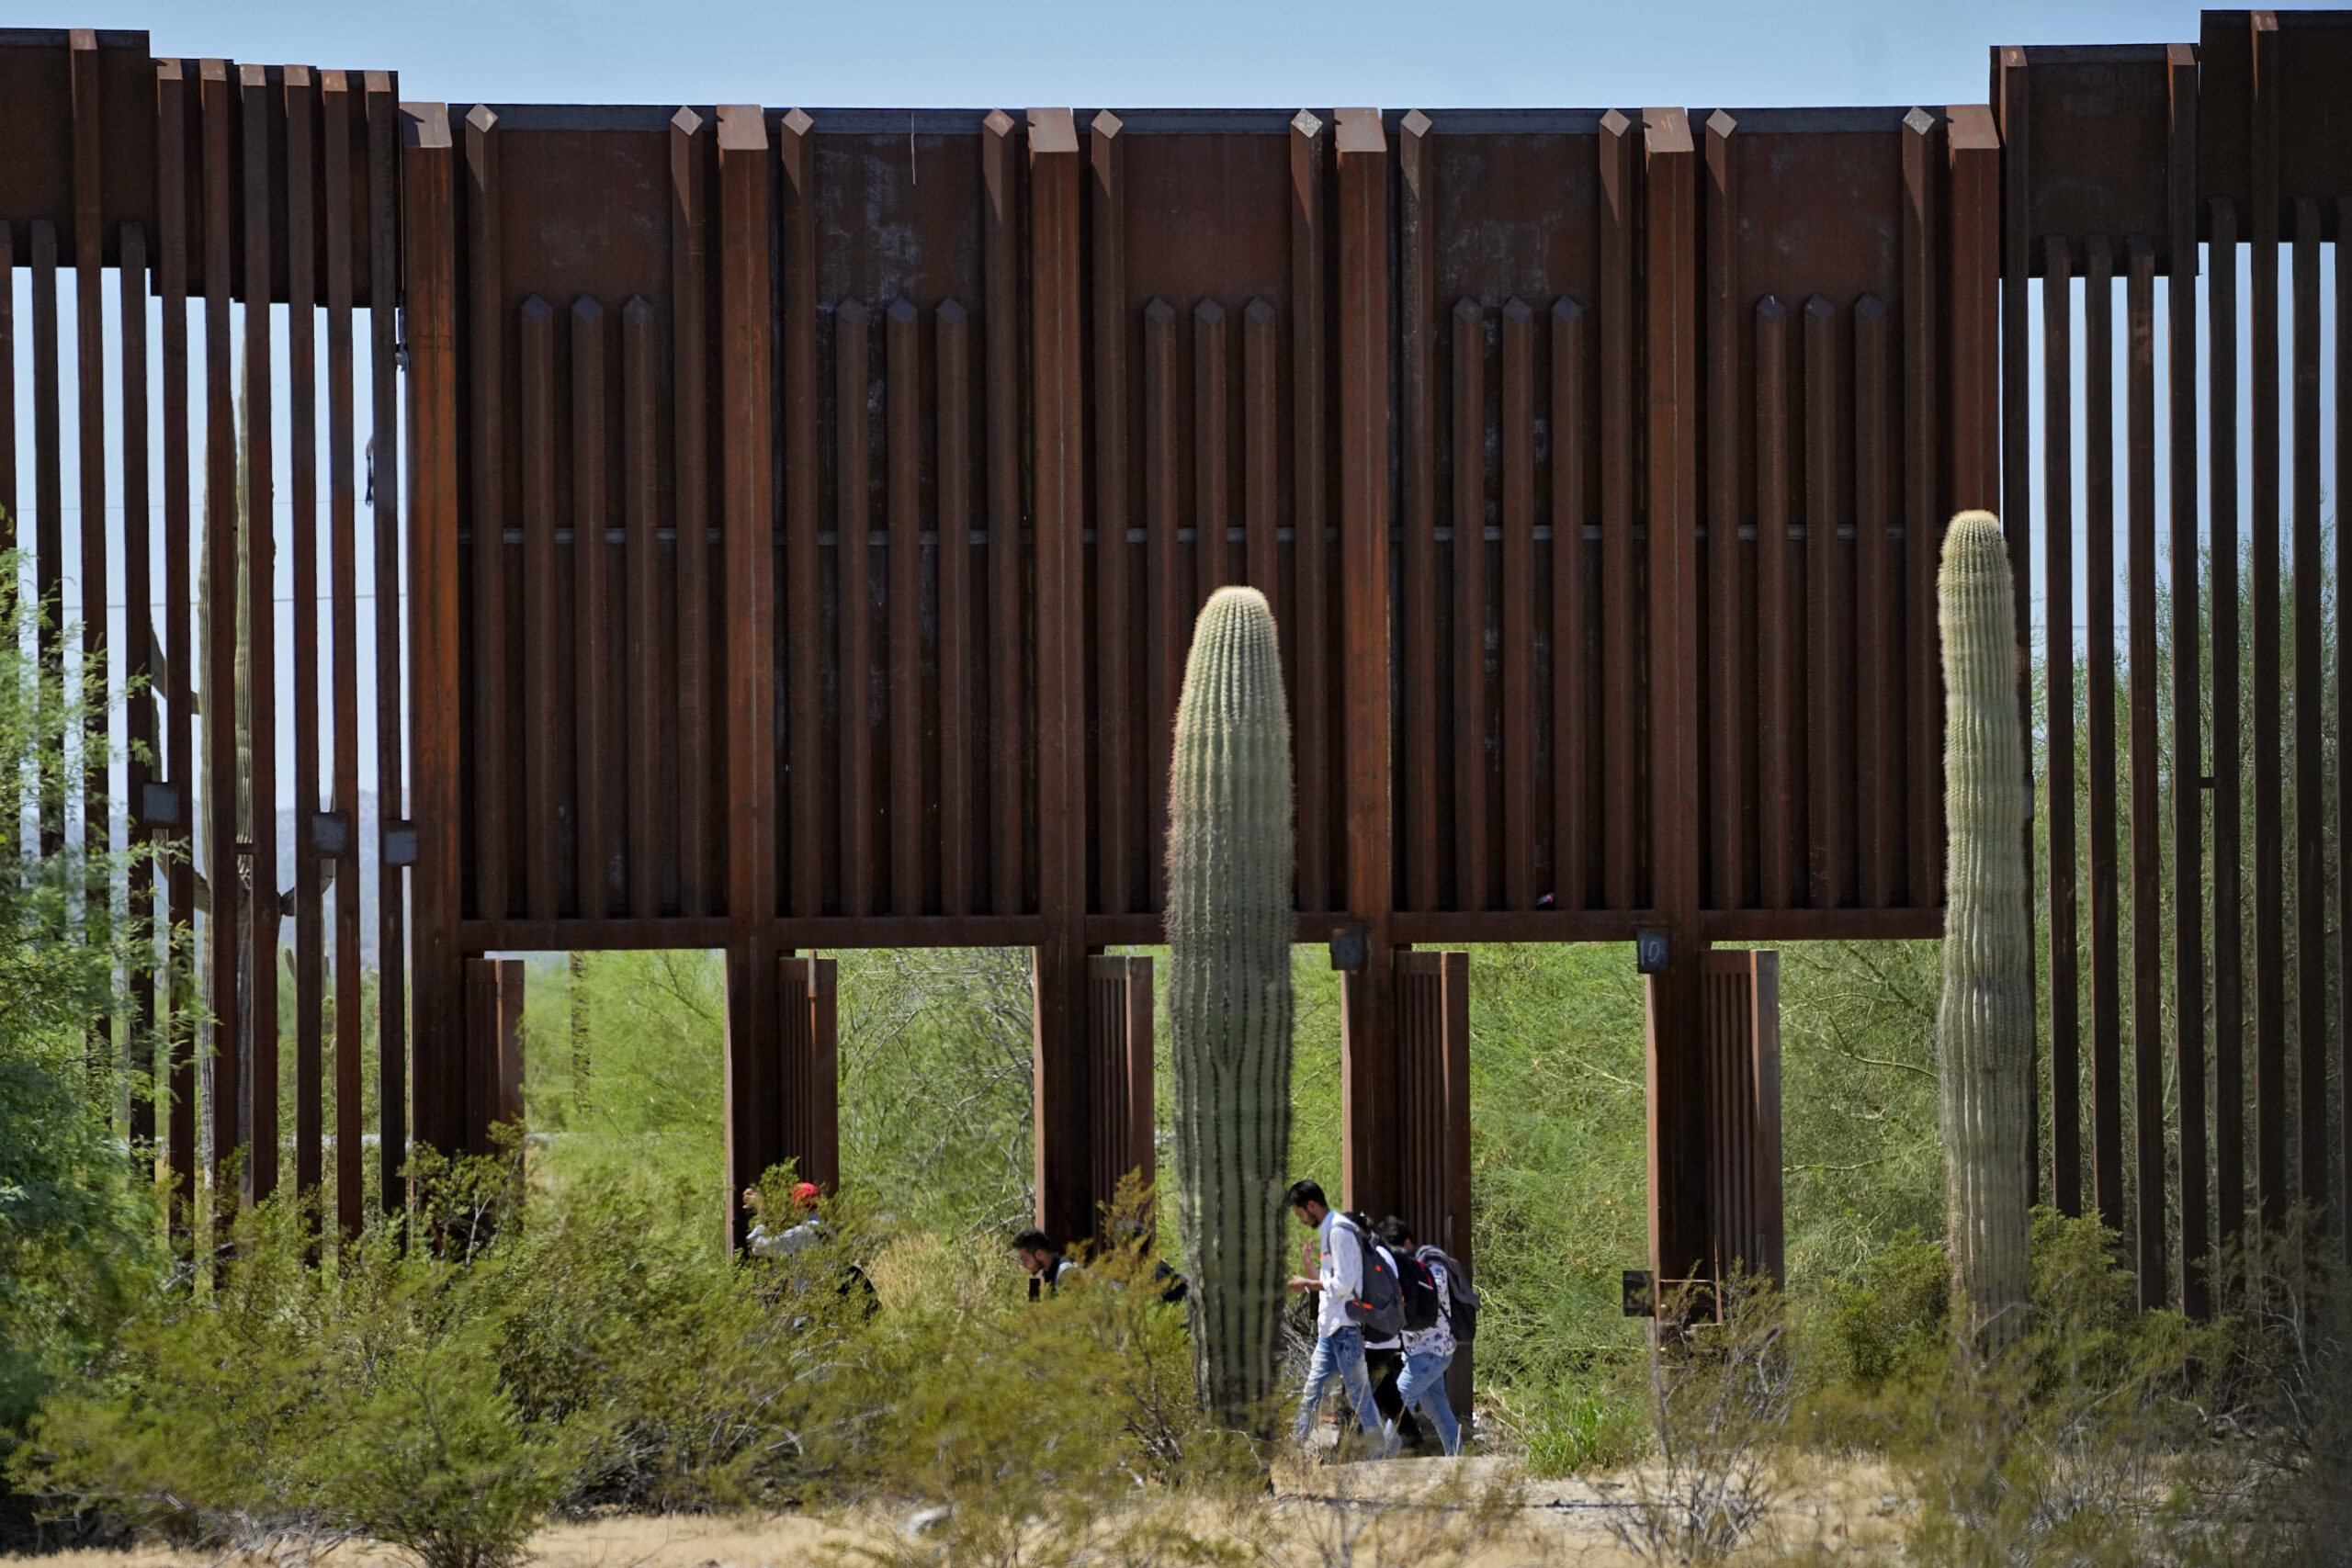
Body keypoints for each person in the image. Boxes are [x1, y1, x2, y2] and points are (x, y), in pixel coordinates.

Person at [1284, 1179, 1391, 1456]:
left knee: (1359, 1396)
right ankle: (1295, 1448)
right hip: (1331, 1329)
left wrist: (1308, 1281)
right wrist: (1311, 1279)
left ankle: (1380, 1450)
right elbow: (1331, 1280)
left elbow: (1344, 1283)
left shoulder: (1339, 1232)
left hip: (1343, 1328)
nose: (1300, 1219)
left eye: (1300, 1214)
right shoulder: (1331, 1231)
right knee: (1313, 1391)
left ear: (1311, 1205)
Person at [1377, 1216, 1462, 1456]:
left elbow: (1436, 1287)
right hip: (1426, 1353)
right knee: (1438, 1410)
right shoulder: (1408, 1267)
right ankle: (1457, 1462)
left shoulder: (1432, 1263)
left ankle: (1379, 1465)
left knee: (1399, 1406)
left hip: (1430, 1353)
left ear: (1407, 1242)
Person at [1357, 1213, 1424, 1452]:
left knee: (1362, 1391)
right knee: (1386, 1393)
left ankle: (1360, 1444)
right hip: (1386, 1336)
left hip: (1378, 1337)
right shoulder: (1383, 1254)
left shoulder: (1377, 1255)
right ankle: (1412, 1438)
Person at [744, 1180, 823, 1258]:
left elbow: (759, 1247)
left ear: (798, 1207)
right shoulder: (826, 1226)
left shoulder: (802, 1233)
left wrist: (761, 1210)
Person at [1013, 1227, 1082, 1300]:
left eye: (1025, 1260)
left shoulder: (1065, 1273)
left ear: (1039, 1254)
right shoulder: (1048, 1274)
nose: (1024, 1266)